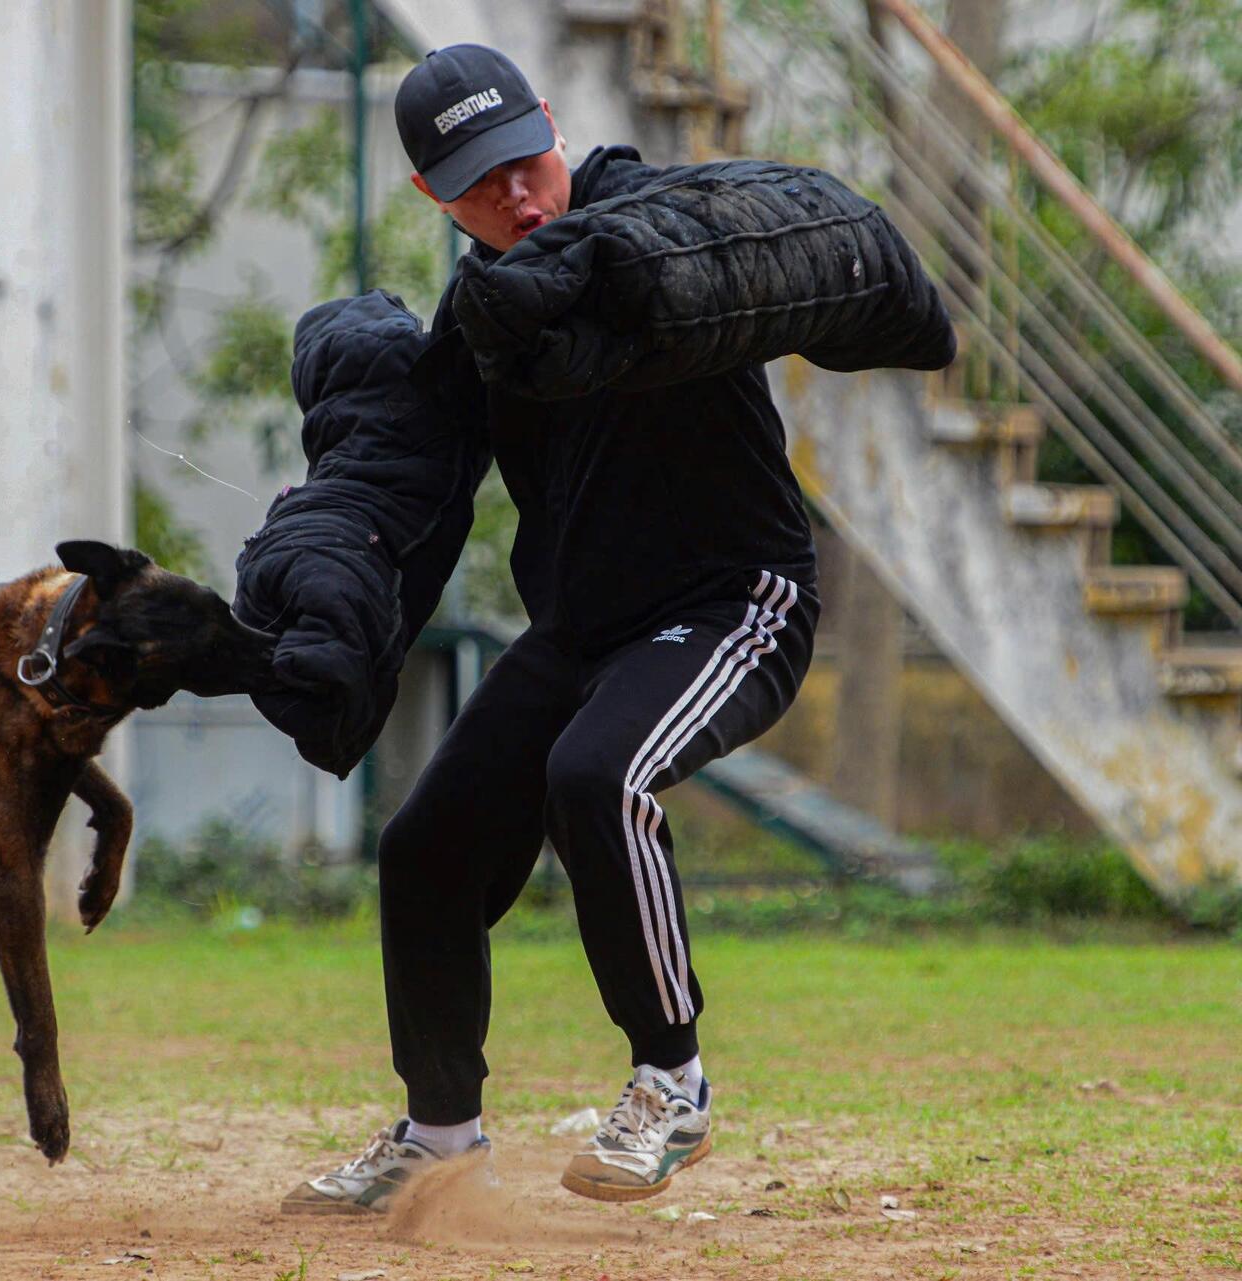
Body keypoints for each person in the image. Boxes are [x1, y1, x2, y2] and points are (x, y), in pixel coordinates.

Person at [234, 44, 955, 1213]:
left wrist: (609, 266)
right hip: (579, 630)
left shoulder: (656, 220)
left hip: (735, 602)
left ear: (555, 127)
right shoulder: (481, 319)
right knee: (425, 849)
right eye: (480, 183)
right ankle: (440, 1135)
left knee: (597, 774)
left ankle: (674, 1083)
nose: (518, 196)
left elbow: (783, 226)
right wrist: (319, 573)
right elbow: (402, 478)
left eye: (527, 160)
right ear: (432, 196)